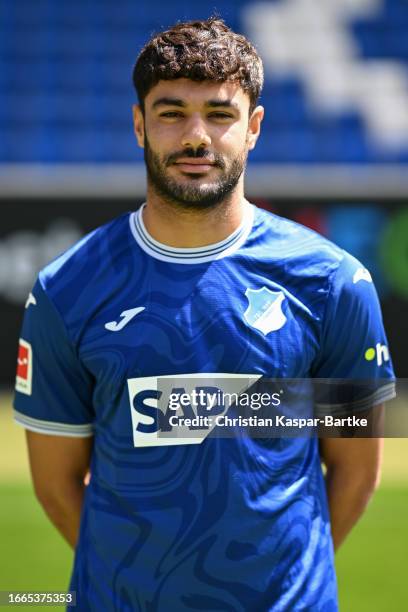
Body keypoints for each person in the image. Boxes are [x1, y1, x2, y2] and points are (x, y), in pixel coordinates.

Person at [14, 17, 395, 611]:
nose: (196, 136)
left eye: (220, 114)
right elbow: (56, 484)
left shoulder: (334, 283)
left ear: (254, 128)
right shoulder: (67, 288)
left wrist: (283, 588)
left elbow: (355, 470)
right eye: (171, 112)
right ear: (140, 125)